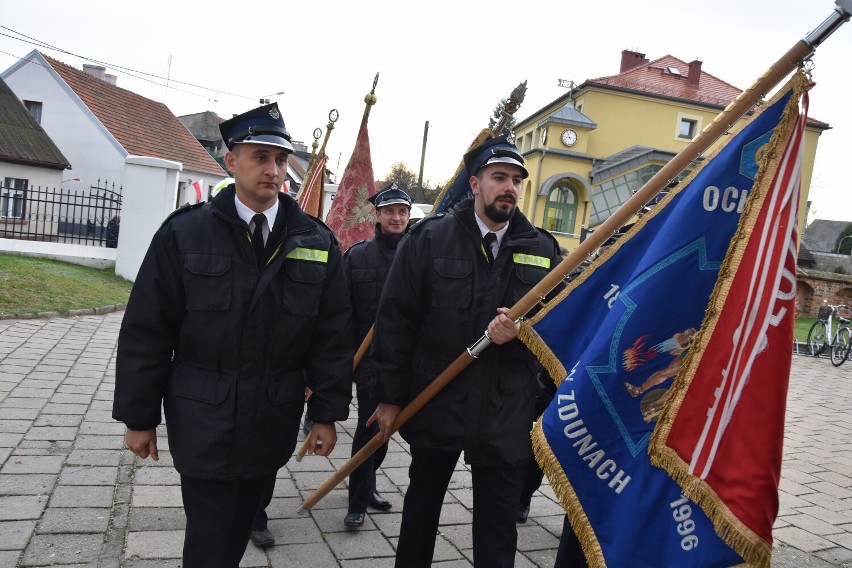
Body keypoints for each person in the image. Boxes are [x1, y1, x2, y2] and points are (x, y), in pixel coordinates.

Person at [112, 102, 353, 567]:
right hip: (204, 414)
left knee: (239, 529)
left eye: (280, 160)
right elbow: (147, 330)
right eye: (260, 157)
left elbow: (333, 335)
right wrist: (139, 417)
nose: (273, 169)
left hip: (272, 417)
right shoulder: (186, 234)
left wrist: (325, 413)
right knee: (208, 541)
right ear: (231, 161)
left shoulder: (315, 241)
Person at [369, 135, 563, 568]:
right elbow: (396, 320)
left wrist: (525, 331)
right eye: (498, 177)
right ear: (475, 184)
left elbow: (561, 323)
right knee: (420, 512)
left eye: (516, 179)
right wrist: (389, 396)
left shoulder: (543, 249)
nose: (509, 187)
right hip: (439, 394)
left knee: (498, 528)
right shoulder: (430, 239)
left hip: (504, 406)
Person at [341, 183, 412, 528]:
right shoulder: (357, 256)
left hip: (408, 362)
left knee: (388, 432)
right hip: (369, 363)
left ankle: (367, 484)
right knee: (368, 431)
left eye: (402, 211)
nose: (396, 217)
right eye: (389, 211)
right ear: (378, 216)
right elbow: (342, 313)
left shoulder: (420, 255)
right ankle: (356, 502)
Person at [517, 245, 568, 524]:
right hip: (541, 383)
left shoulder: (586, 291)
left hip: (569, 388)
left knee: (543, 451)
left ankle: (524, 497)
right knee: (527, 447)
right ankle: (519, 497)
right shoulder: (547, 290)